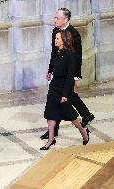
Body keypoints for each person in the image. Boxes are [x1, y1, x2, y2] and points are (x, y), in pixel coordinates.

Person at [40, 8, 94, 140]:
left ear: (66, 19)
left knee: (62, 100)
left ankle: (57, 131)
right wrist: (50, 69)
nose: (55, 20)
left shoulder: (74, 34)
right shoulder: (55, 31)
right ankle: (86, 115)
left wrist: (75, 76)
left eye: (57, 18)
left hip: (68, 73)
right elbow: (54, 53)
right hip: (59, 71)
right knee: (62, 99)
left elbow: (77, 57)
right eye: (55, 17)